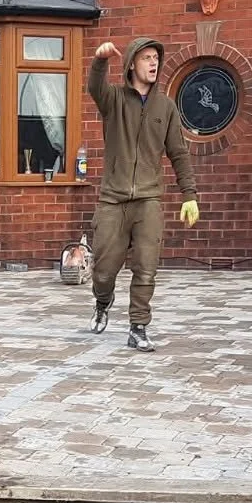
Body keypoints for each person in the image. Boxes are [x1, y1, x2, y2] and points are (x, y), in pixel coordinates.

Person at [86, 37, 200, 352]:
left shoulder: (166, 107)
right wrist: (99, 60)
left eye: (156, 58)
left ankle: (138, 327)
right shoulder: (113, 100)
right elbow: (95, 87)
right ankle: (102, 300)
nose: (153, 63)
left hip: (149, 200)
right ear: (132, 64)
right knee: (105, 269)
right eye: (147, 57)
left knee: (146, 267)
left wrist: (188, 194)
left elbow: (179, 153)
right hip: (112, 200)